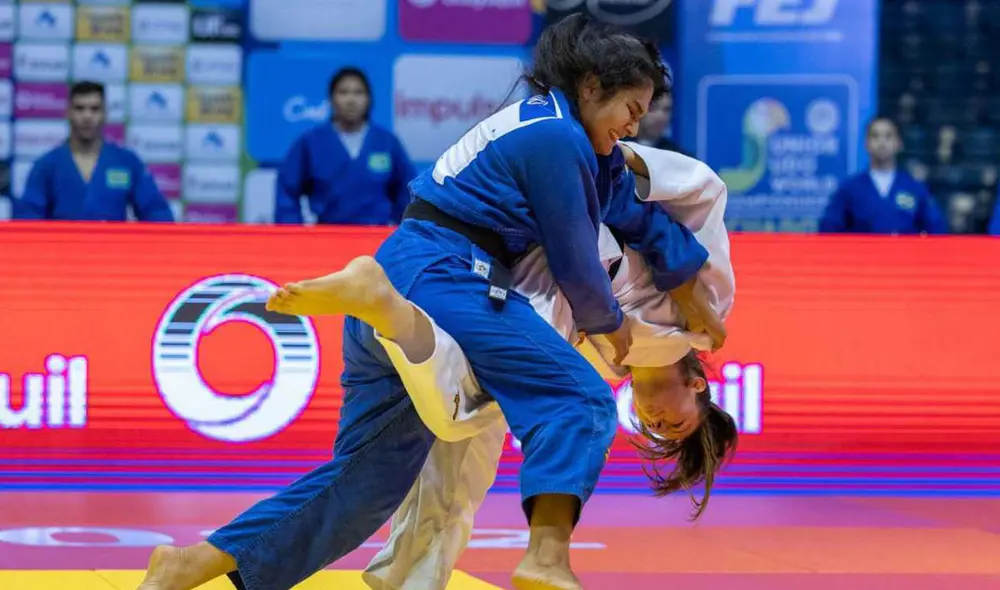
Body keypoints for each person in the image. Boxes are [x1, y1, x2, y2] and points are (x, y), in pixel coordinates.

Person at [137, 14, 694, 590]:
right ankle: (546, 557)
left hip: (406, 264)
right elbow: (576, 259)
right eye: (632, 108)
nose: (635, 125)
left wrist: (692, 287)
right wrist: (609, 322)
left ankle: (191, 563)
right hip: (449, 274)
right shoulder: (559, 137)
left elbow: (635, 213)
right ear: (592, 87)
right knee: (579, 399)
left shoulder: (555, 131)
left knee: (365, 485)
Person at [266, 142, 738, 590]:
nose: (655, 423)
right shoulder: (706, 319)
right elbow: (702, 192)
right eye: (675, 424)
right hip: (540, 247)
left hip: (524, 289)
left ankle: (407, 577)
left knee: (464, 448)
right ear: (697, 386)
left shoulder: (610, 365)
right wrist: (622, 156)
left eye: (656, 432)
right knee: (458, 420)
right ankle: (390, 313)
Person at [273, 67, 417, 226]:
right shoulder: (311, 142)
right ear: (331, 99)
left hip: (377, 235)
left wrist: (406, 233)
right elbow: (287, 192)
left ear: (368, 99)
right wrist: (293, 232)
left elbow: (407, 193)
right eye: (343, 92)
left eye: (358, 92)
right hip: (328, 235)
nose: (351, 100)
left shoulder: (386, 142)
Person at [13, 81, 173, 222]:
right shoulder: (47, 165)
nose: (87, 116)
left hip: (113, 247)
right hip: (62, 247)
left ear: (105, 114)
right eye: (79, 108)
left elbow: (157, 213)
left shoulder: (127, 162)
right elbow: (28, 220)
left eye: (95, 109)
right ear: (68, 113)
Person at [819, 116, 948, 234]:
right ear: (866, 143)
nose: (882, 142)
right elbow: (829, 231)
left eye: (888, 136)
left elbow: (936, 229)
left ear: (899, 143)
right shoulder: (849, 189)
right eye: (875, 136)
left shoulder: (914, 188)